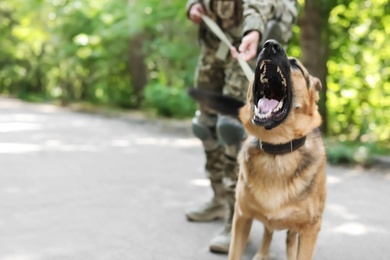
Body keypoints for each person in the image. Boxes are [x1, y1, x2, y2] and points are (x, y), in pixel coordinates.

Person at [185, 0, 298, 254]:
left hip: (250, 41)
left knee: (232, 127)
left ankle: (236, 219)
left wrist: (253, 30)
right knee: (205, 125)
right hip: (216, 41)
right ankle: (218, 198)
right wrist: (193, 5)